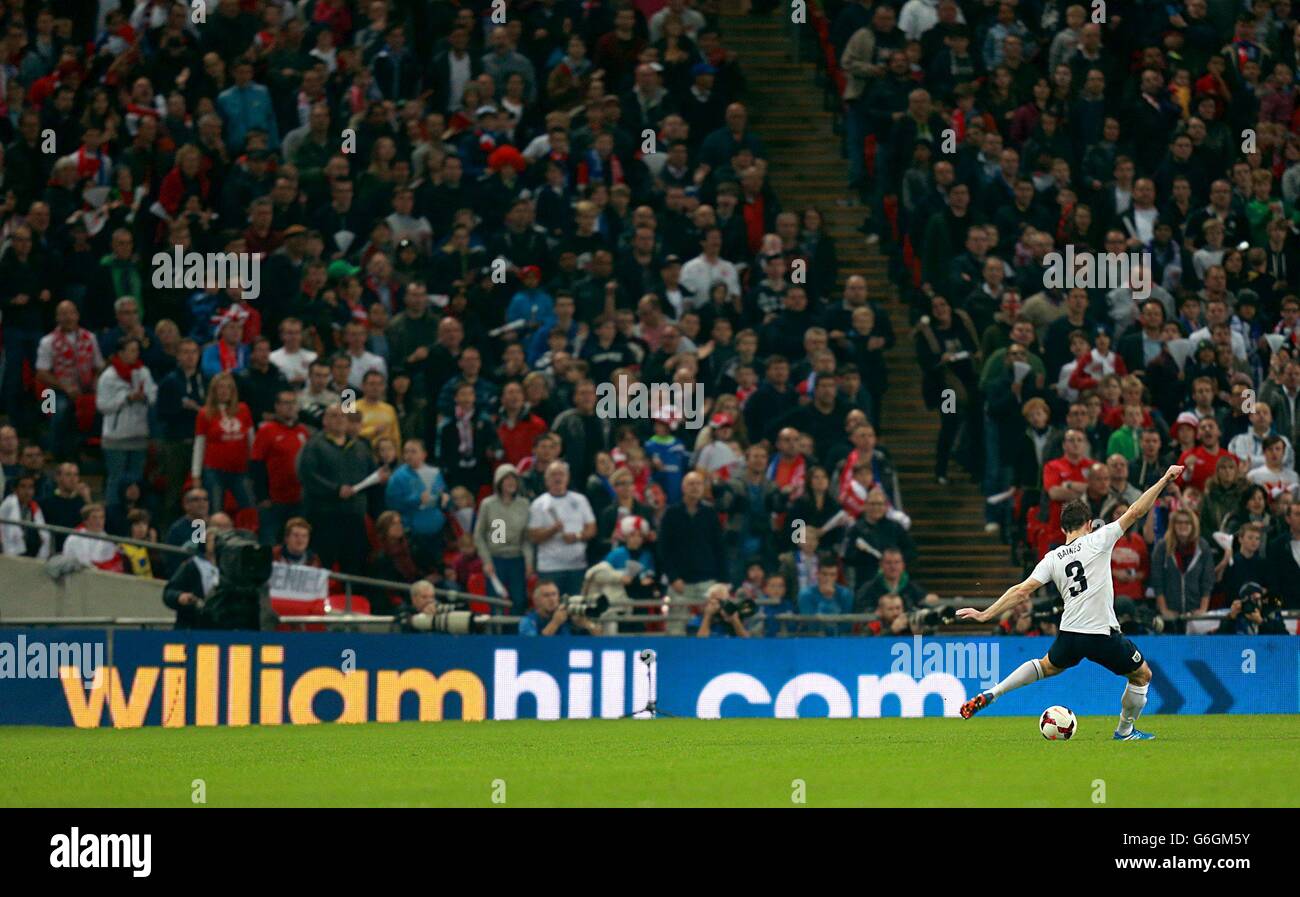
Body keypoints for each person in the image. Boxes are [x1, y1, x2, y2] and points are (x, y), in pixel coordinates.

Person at [956, 465, 1185, 740]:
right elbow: (1135, 511)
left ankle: (994, 692)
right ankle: (1125, 731)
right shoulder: (1099, 539)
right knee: (1142, 675)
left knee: (1045, 666)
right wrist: (1164, 479)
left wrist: (985, 614)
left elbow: (1021, 591)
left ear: (1063, 528)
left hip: (1069, 635)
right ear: (1088, 524)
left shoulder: (1053, 558)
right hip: (1100, 634)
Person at [527, 460, 596, 598]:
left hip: (577, 566)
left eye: (561, 474)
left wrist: (576, 536)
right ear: (546, 480)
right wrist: (552, 530)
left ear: (567, 478)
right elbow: (533, 536)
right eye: (553, 474)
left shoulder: (580, 500)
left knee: (576, 606)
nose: (557, 478)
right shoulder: (538, 504)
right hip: (550, 568)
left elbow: (592, 529)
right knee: (551, 606)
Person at [473, 463, 533, 613]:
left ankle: (515, 628)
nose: (511, 482)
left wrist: (528, 561)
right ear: (499, 482)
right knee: (495, 602)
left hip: (517, 559)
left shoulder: (524, 504)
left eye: (514, 479)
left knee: (519, 601)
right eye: (507, 479)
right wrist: (486, 561)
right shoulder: (488, 504)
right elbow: (479, 535)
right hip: (495, 559)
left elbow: (526, 538)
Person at [518, 579, 600, 636]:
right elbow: (533, 647)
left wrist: (586, 624)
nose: (552, 599)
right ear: (536, 600)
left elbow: (600, 639)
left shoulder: (568, 615)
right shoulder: (528, 621)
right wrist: (555, 623)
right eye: (546, 595)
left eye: (554, 594)